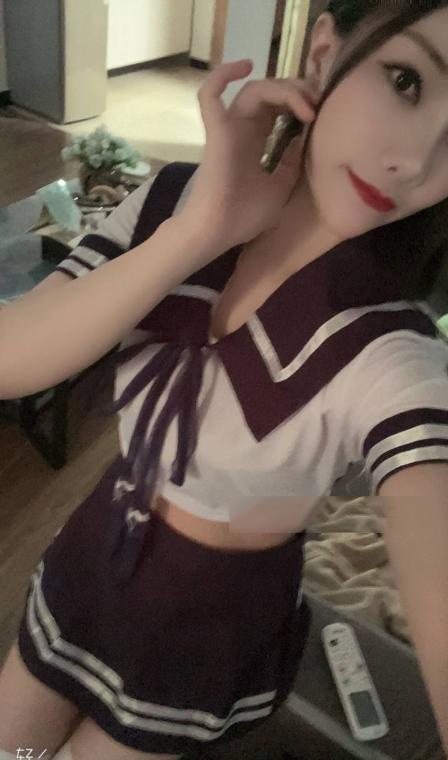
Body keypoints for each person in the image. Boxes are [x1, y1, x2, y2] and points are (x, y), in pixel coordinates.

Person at [1, 1, 448, 757]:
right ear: (324, 52)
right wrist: (198, 231)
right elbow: (10, 359)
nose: (417, 161)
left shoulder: (391, 349)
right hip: (96, 547)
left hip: (203, 623)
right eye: (407, 80)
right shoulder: (173, 202)